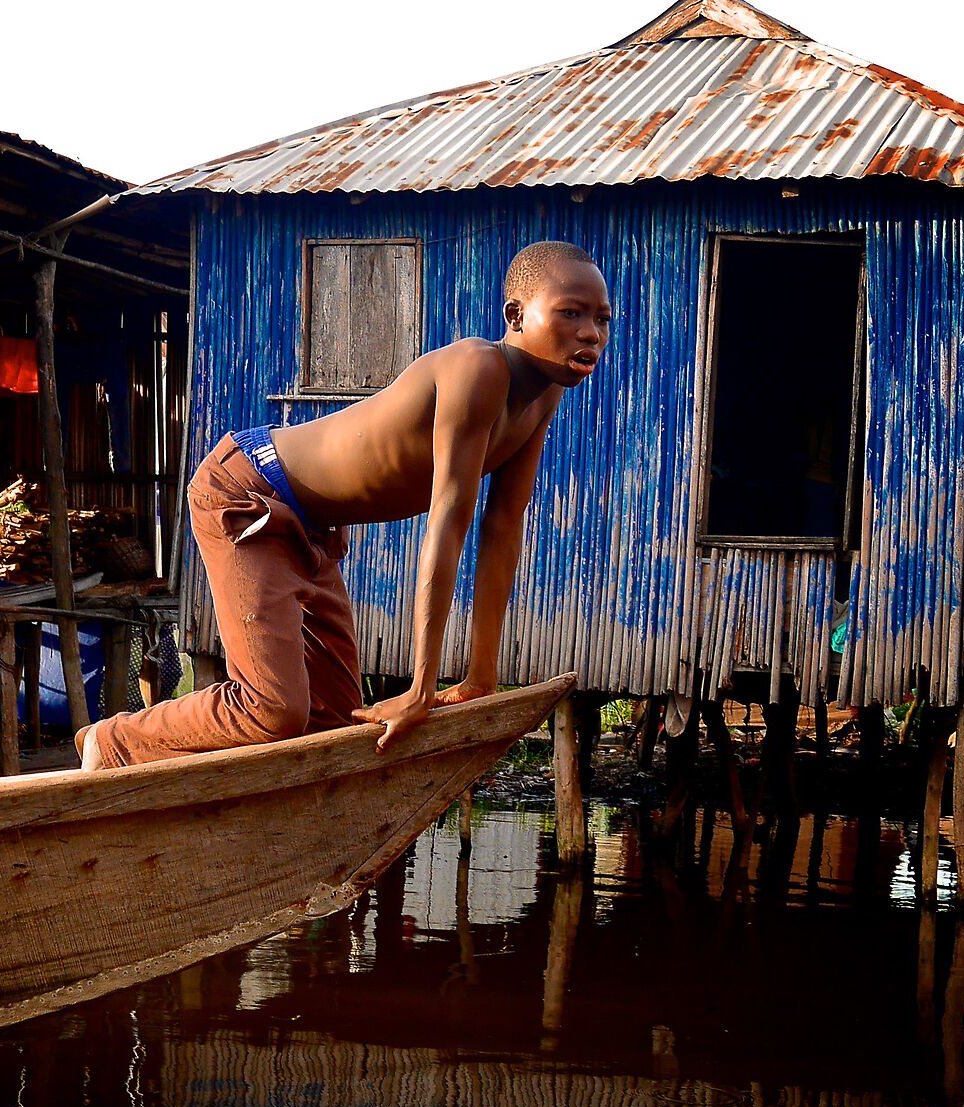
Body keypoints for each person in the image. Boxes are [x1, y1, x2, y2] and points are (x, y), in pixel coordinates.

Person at [81, 241, 610, 769]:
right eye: (570, 312)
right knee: (274, 710)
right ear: (515, 316)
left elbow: (502, 526)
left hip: (313, 526)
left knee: (336, 715)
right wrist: (420, 689)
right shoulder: (479, 368)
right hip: (248, 491)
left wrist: (480, 677)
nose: (590, 332)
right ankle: (112, 742)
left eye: (601, 319)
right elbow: (448, 525)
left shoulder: (544, 395)